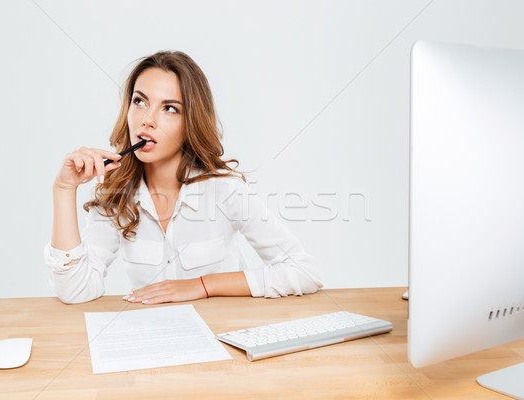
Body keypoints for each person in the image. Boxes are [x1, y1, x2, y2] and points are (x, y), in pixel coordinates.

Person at [44, 50, 322, 304]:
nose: (147, 120)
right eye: (140, 101)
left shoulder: (225, 190)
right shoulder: (116, 197)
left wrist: (203, 285)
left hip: (222, 338)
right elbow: (75, 291)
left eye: (169, 108)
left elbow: (303, 271)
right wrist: (64, 188)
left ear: (190, 123)